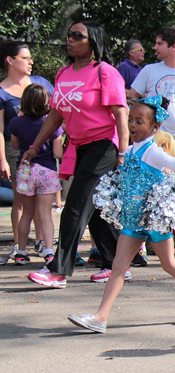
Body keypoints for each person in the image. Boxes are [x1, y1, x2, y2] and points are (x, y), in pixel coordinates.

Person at [67, 96, 175, 334]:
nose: (132, 125)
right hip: (133, 219)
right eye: (131, 120)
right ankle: (100, 318)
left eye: (139, 122)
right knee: (118, 267)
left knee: (169, 264)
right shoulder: (130, 150)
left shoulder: (153, 153)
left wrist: (174, 196)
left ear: (155, 127)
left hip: (154, 219)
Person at [25, 20, 128, 289]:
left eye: (77, 35)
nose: (69, 39)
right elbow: (55, 115)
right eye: (69, 35)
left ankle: (58, 270)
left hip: (103, 146)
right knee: (94, 209)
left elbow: (120, 113)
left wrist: (123, 152)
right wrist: (35, 146)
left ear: (92, 41)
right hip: (78, 146)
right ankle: (116, 264)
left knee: (74, 205)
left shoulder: (105, 72)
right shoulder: (63, 73)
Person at [0, 41, 54, 260]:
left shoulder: (41, 83)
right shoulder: (2, 92)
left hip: (45, 151)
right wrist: (2, 159)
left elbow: (57, 112)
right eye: (25, 57)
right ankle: (19, 245)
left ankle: (42, 242)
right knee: (21, 201)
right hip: (16, 152)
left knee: (44, 200)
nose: (31, 61)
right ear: (10, 60)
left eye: (30, 57)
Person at [8, 84, 63, 265]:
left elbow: (15, 147)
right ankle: (48, 250)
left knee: (27, 213)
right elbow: (57, 153)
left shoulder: (16, 123)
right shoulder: (52, 124)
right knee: (45, 213)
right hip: (46, 170)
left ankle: (21, 251)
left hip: (25, 171)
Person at [129, 27, 175, 158]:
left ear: (173, 46)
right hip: (151, 136)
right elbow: (131, 97)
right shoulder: (149, 70)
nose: (154, 47)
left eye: (159, 43)